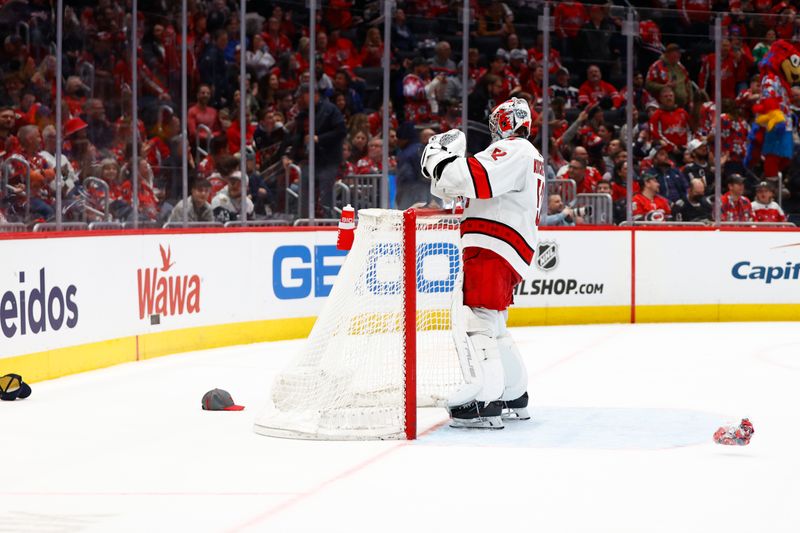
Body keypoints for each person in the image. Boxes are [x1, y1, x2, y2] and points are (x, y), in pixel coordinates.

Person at [420, 97, 543, 429]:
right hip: (506, 248)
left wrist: (438, 156)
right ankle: (514, 393)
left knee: (477, 321)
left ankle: (484, 400)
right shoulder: (527, 156)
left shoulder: (514, 150)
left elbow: (473, 178)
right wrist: (446, 172)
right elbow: (460, 189)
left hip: (492, 245)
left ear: (504, 123)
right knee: (494, 324)